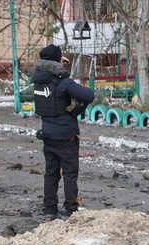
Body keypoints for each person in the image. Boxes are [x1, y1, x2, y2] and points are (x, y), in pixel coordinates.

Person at [31, 44, 94, 220]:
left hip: (47, 135)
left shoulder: (39, 80)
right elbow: (88, 95)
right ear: (57, 60)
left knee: (51, 173)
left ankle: (50, 210)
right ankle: (70, 210)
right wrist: (63, 71)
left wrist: (59, 67)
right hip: (66, 136)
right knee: (69, 174)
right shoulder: (62, 82)